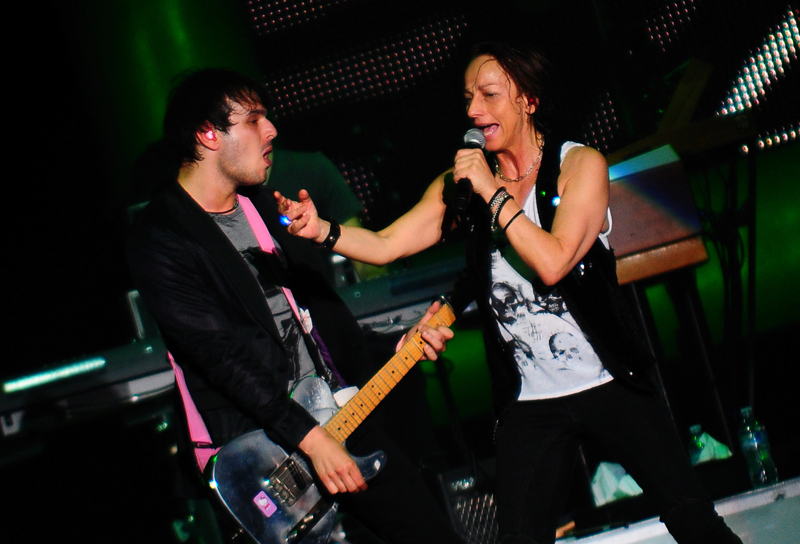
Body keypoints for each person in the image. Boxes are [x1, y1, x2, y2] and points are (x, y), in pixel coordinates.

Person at [276, 42, 743, 544]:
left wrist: (492, 192)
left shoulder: (578, 165)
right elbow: (388, 243)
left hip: (610, 379)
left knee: (691, 520)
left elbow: (554, 262)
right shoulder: (465, 184)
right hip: (531, 402)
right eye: (468, 98)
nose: (474, 111)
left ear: (529, 100)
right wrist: (322, 230)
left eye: (490, 95)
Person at [126, 67, 464, 544]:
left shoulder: (263, 206)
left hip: (341, 419)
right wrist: (312, 439)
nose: (271, 130)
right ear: (207, 134)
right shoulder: (161, 237)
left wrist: (395, 347)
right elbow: (221, 359)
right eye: (253, 120)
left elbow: (317, 327)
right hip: (271, 457)